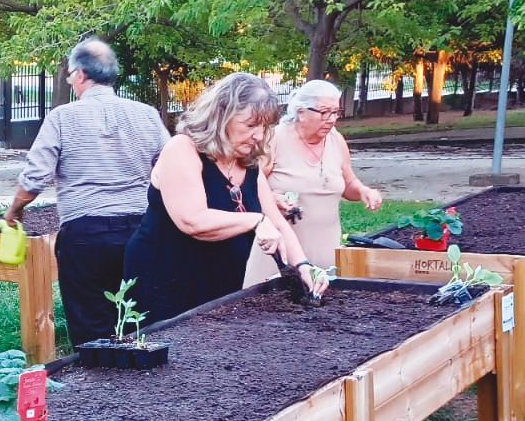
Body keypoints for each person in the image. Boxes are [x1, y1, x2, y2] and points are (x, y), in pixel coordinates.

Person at [3, 38, 169, 346]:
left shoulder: (63, 118)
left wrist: (14, 211)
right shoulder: (147, 114)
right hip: (143, 230)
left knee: (91, 324)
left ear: (80, 75)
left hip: (85, 233)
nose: (70, 81)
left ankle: (97, 385)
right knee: (141, 317)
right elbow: (169, 166)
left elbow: (35, 178)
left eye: (69, 75)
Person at [125, 73, 328, 322]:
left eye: (264, 127)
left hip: (217, 282)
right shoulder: (182, 149)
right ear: (221, 117)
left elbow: (277, 223)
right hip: (164, 283)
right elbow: (193, 221)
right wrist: (255, 221)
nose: (259, 135)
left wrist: (303, 267)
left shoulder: (249, 163)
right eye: (251, 125)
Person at [243, 80, 383, 286]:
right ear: (301, 112)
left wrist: (363, 191)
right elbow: (249, 185)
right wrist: (273, 198)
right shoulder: (274, 139)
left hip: (326, 248)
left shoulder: (336, 140)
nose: (331, 119)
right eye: (324, 112)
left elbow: (348, 183)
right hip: (278, 252)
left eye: (336, 112)